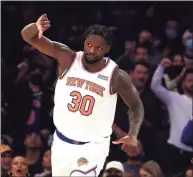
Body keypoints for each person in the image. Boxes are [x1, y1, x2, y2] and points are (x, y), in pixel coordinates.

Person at [21, 14, 144, 176]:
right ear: (85, 42)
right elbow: (27, 36)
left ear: (108, 49)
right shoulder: (67, 57)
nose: (92, 51)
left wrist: (133, 133)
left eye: (99, 48)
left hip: (92, 147)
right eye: (89, 45)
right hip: (61, 142)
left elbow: (136, 105)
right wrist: (35, 27)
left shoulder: (116, 75)